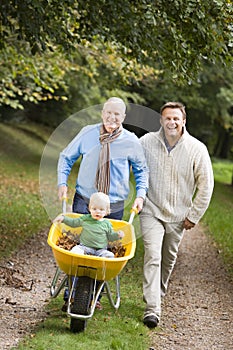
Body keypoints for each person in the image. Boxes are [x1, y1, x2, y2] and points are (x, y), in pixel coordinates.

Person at [57, 96, 148, 309]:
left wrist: (141, 194)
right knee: (78, 247)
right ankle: (73, 293)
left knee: (102, 249)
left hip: (113, 205)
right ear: (102, 113)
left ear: (123, 117)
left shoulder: (131, 140)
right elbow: (66, 157)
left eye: (117, 114)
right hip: (84, 201)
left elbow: (142, 170)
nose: (112, 117)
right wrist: (62, 182)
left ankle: (93, 296)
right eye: (108, 112)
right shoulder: (87, 133)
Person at [139, 101, 214, 328]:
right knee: (153, 255)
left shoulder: (196, 149)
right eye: (167, 118)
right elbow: (130, 166)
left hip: (179, 216)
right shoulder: (145, 143)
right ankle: (152, 309)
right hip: (151, 209)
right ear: (161, 120)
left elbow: (206, 185)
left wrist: (193, 215)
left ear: (183, 122)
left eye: (176, 119)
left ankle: (158, 292)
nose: (171, 122)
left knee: (168, 258)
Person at [53, 192, 124, 258]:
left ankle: (100, 265)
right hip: (84, 247)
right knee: (75, 250)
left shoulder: (107, 224)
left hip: (100, 250)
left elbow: (110, 236)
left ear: (107, 211)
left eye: (101, 209)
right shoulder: (86, 219)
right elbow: (74, 223)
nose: (97, 212)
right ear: (90, 208)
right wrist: (64, 219)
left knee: (110, 255)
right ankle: (78, 263)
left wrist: (117, 235)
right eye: (94, 209)